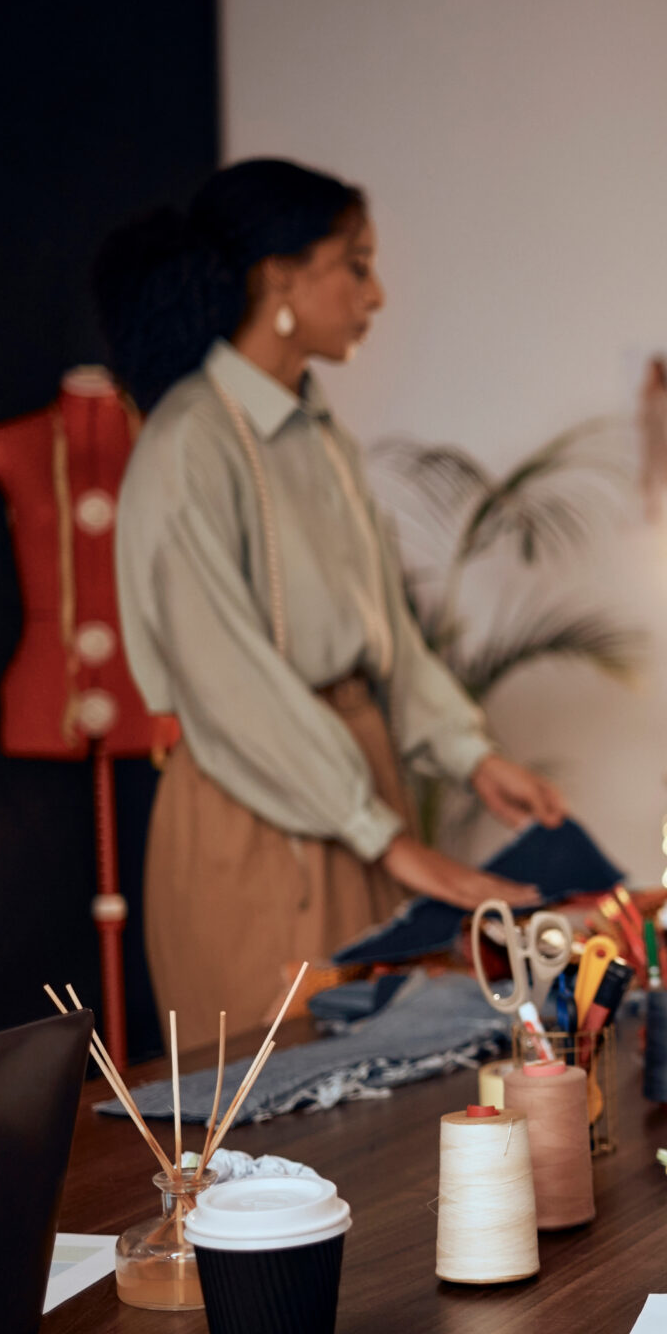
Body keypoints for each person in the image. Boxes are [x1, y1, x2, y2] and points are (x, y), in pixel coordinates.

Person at [96, 158, 566, 1044]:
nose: (377, 293)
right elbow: (225, 681)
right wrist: (386, 836)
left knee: (379, 1088)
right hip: (255, 807)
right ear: (278, 277)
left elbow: (384, 631)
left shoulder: (317, 431)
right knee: (274, 1104)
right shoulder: (190, 441)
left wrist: (468, 755)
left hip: (355, 792)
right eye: (355, 263)